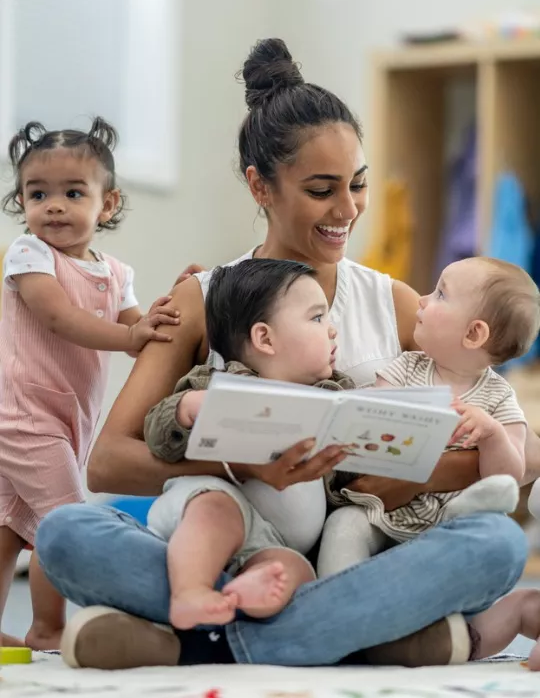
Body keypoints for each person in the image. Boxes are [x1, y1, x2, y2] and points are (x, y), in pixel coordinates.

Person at [36, 39, 535, 670]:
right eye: (323, 190)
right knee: (66, 534)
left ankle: (206, 641)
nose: (348, 210)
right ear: (260, 186)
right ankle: (341, 636)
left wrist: (396, 477)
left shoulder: (399, 304)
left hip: (350, 549)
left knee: (494, 544)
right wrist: (241, 472)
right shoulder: (202, 298)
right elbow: (106, 463)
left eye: (357, 184)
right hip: (237, 539)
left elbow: (516, 441)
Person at [0, 118, 178, 650]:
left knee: (11, 526)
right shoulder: (29, 254)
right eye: (38, 193)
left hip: (66, 415)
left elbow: (138, 326)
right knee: (68, 521)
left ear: (108, 204)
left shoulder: (115, 271)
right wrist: (129, 339)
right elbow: (59, 318)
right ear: (22, 201)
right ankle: (48, 628)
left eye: (73, 192)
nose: (53, 205)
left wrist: (179, 304)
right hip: (21, 412)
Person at [144, 259, 354, 630]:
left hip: (273, 543)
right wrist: (185, 409)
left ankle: (240, 597)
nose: (333, 331)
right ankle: (190, 592)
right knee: (215, 509)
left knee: (295, 573)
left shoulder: (337, 397)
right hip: (213, 509)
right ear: (265, 339)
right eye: (318, 318)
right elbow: (159, 438)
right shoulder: (218, 384)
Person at [319, 256, 540, 577]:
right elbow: (368, 418)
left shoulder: (498, 397)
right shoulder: (406, 367)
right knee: (343, 524)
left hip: (455, 523)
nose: (422, 299)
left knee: (488, 534)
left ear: (474, 334)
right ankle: (335, 600)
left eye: (440, 294)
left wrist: (492, 435)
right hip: (385, 510)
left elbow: (507, 477)